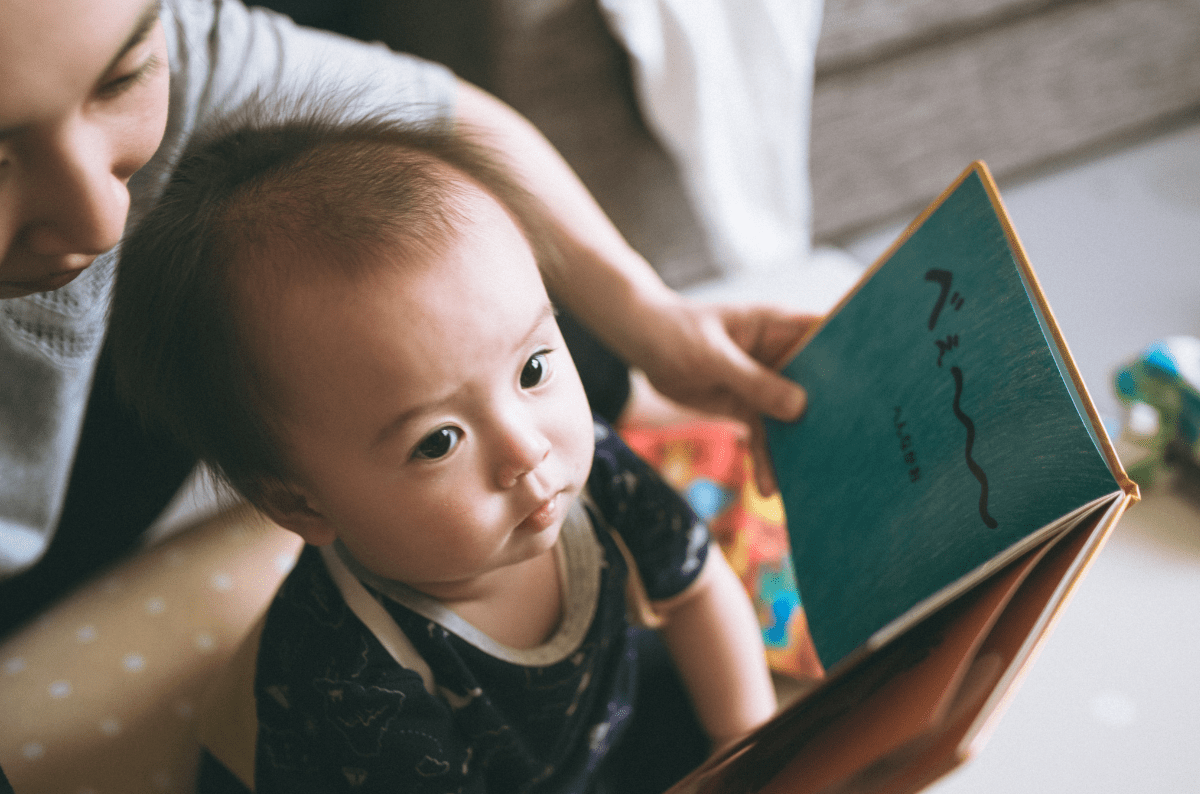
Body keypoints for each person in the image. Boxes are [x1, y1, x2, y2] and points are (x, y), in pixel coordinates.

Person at [0, 0, 814, 640]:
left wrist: (654, 321)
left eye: (122, 79)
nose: (101, 221)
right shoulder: (356, 674)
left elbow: (442, 115)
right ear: (296, 506)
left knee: (441, 318)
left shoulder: (168, 34)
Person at [105, 110, 778, 794]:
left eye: (534, 369)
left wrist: (740, 744)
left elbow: (697, 588)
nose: (526, 448)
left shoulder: (589, 464)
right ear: (300, 502)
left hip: (579, 738)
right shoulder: (357, 682)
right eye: (438, 441)